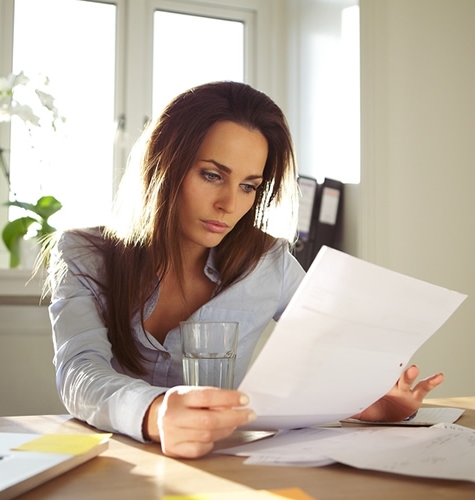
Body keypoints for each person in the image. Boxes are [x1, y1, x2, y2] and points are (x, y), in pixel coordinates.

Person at [45, 81, 444, 459]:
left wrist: (366, 401)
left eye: (249, 186)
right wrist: (155, 412)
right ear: (163, 166)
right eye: (212, 175)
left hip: (225, 471)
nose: (229, 205)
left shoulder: (269, 263)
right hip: (113, 468)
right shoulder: (84, 254)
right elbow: (79, 371)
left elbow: (332, 360)